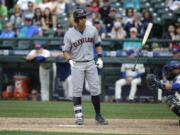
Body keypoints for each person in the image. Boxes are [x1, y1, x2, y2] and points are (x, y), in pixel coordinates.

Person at [62, 8, 108, 125]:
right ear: (77, 20)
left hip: (90, 62)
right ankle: (78, 115)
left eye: (84, 17)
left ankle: (98, 115)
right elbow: (66, 51)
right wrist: (69, 60)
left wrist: (100, 57)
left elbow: (98, 44)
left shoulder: (92, 30)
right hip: (77, 63)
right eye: (81, 18)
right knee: (77, 90)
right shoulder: (69, 34)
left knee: (95, 89)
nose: (84, 19)